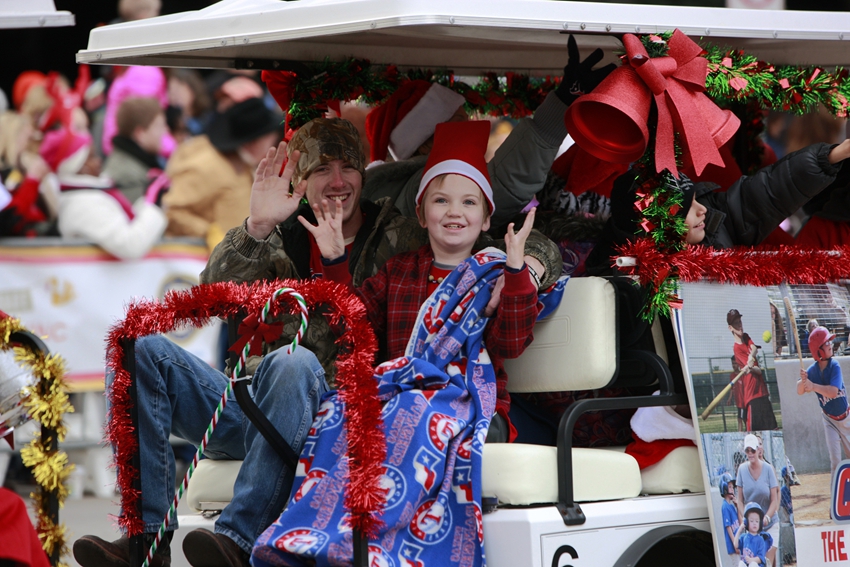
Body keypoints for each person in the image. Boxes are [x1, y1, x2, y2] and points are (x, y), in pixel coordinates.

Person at [72, 117, 560, 567]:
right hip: (263, 412)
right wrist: (257, 226)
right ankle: (146, 539)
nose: (338, 181)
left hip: (335, 417)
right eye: (322, 169)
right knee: (139, 348)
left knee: (293, 361)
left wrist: (529, 268)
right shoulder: (279, 231)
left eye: (349, 166)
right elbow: (211, 294)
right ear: (299, 180)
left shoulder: (402, 232)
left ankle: (238, 540)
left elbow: (481, 229)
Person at [254, 119, 555, 566]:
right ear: (421, 213)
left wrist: (515, 275)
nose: (455, 212)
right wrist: (336, 261)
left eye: (469, 201)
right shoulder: (398, 270)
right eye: (441, 200)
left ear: (487, 216)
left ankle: (374, 547)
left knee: (408, 411)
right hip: (399, 396)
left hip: (473, 408)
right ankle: (316, 539)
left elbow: (511, 342)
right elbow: (352, 327)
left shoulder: (492, 272)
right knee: (341, 410)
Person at [360, 35, 616, 232]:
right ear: (426, 144)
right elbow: (503, 184)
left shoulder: (409, 183)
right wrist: (560, 104)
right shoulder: (427, 181)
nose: (472, 125)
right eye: (460, 120)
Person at [584, 139, 850, 275]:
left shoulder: (716, 221)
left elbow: (768, 192)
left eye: (698, 201)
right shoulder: (623, 271)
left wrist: (830, 157)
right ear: (657, 223)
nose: (703, 211)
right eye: (688, 206)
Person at [162, 97, 281, 249]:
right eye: (271, 139)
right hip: (203, 263)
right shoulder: (207, 166)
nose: (275, 144)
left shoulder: (246, 164)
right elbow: (172, 210)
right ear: (255, 141)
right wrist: (208, 232)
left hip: (234, 262)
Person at [42, 127, 167, 260]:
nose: (99, 160)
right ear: (78, 166)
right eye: (92, 157)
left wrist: (148, 200)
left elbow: (125, 227)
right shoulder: (83, 204)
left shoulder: (85, 194)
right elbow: (130, 245)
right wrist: (153, 205)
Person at [798, 326, 850, 475]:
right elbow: (799, 390)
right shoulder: (813, 370)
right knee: (835, 463)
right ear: (818, 351)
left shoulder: (835, 366)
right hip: (829, 421)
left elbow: (833, 392)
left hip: (846, 418)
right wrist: (803, 381)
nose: (831, 345)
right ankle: (835, 495)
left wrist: (813, 386)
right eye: (827, 343)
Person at [102, 97, 168, 203]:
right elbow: (139, 215)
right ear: (140, 133)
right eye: (158, 126)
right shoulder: (128, 177)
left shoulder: (134, 162)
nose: (164, 131)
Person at [728, 309, 777, 431]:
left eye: (740, 321)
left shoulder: (746, 336)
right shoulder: (736, 348)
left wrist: (751, 357)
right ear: (730, 328)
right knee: (755, 432)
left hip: (762, 392)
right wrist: (750, 366)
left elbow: (754, 347)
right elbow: (756, 370)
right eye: (736, 324)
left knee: (773, 429)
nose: (739, 325)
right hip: (752, 396)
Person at [736, 434, 780, 567]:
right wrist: (745, 519)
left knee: (766, 562)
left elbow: (774, 499)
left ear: (758, 450)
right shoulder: (742, 469)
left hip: (769, 524)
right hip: (752, 527)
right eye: (747, 450)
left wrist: (766, 517)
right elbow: (739, 500)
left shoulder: (768, 469)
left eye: (752, 450)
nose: (750, 453)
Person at [734, 502, 772, 567]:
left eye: (757, 521)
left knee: (753, 564)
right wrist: (740, 529)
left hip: (756, 564)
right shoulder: (744, 537)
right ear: (746, 522)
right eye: (751, 521)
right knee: (741, 563)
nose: (754, 523)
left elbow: (760, 558)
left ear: (760, 523)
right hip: (746, 564)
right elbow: (735, 545)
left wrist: (751, 560)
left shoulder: (760, 539)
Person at [719, 472, 740, 567]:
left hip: (738, 543)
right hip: (733, 546)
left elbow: (740, 523)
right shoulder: (725, 506)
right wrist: (735, 543)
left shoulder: (731, 506)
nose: (733, 489)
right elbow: (728, 527)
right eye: (730, 487)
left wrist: (737, 507)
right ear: (724, 488)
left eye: (732, 487)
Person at [729, 356, 747, 433]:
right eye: (733, 363)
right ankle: (741, 432)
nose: (734, 365)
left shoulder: (742, 375)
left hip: (743, 402)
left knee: (742, 419)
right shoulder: (732, 375)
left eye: (735, 363)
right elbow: (732, 389)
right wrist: (730, 398)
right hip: (738, 402)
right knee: (740, 418)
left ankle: (742, 432)